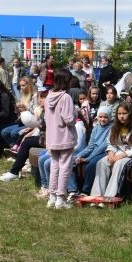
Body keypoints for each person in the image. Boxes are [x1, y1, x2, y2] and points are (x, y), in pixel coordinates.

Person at [89, 100, 132, 198]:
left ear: (130, 114)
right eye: (119, 113)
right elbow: (111, 142)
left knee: (118, 164)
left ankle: (110, 196)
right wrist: (111, 153)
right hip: (117, 153)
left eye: (124, 113)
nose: (121, 116)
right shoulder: (115, 127)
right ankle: (97, 196)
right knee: (102, 163)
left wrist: (124, 154)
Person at [44, 68, 77, 209]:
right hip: (65, 137)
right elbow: (69, 119)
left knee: (54, 166)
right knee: (64, 168)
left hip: (52, 137)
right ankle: (61, 198)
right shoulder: (66, 97)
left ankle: (52, 197)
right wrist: (76, 112)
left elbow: (46, 118)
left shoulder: (48, 96)